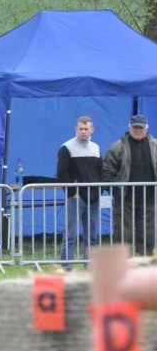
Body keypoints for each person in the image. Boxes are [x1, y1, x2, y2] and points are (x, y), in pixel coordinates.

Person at [102, 114, 157, 256]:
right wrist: (116, 192)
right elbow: (107, 172)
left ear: (147, 128)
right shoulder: (116, 147)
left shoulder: (155, 146)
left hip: (149, 197)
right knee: (122, 233)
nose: (138, 130)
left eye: (141, 127)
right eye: (135, 127)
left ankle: (146, 264)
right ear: (129, 128)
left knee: (147, 233)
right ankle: (122, 264)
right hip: (125, 198)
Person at [56, 116, 103, 271]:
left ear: (92, 130)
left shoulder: (96, 148)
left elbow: (100, 172)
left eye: (86, 129)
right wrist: (72, 193)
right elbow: (62, 173)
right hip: (75, 198)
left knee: (92, 237)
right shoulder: (67, 147)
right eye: (80, 129)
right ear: (75, 129)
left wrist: (99, 190)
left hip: (93, 198)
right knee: (70, 236)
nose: (83, 132)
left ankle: (91, 269)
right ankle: (66, 268)